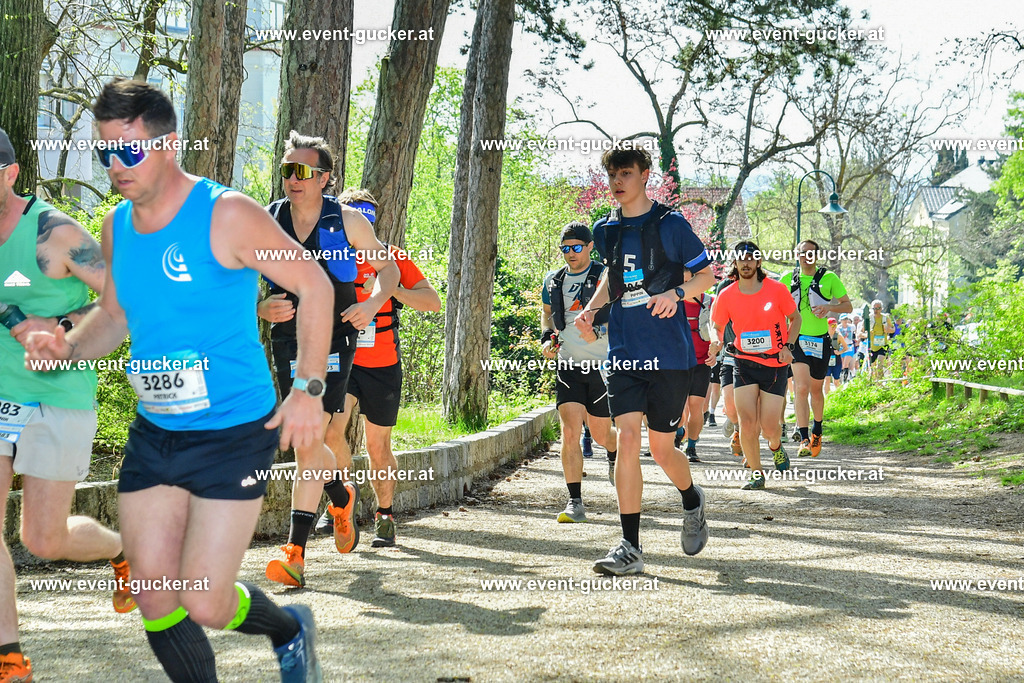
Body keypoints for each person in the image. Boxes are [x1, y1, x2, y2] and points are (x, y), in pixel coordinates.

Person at [26, 79, 328, 681]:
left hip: (233, 431)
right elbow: (115, 315)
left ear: (168, 144)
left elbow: (314, 285)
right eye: (105, 151)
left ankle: (289, 630)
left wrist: (308, 388)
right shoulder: (116, 226)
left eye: (129, 150)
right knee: (154, 592)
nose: (115, 165)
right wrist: (67, 346)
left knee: (205, 600)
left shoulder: (227, 214)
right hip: (156, 432)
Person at [0, 126, 135, 682]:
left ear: (10, 174)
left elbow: (124, 303)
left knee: (43, 539)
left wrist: (57, 325)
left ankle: (124, 552)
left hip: (58, 395)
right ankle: (10, 656)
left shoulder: (54, 233)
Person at [259, 136, 399, 586]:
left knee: (308, 438)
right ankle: (340, 495)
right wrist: (259, 307)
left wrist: (372, 304)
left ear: (324, 179)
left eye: (303, 171)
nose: (293, 179)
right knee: (305, 443)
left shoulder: (348, 221)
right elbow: (232, 277)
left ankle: (294, 553)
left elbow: (389, 270)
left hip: (335, 341)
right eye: (287, 170)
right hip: (289, 341)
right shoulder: (268, 221)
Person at [575, 146, 713, 575]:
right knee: (628, 438)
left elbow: (706, 276)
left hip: (669, 355)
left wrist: (676, 294)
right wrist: (591, 310)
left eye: (626, 174)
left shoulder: (672, 224)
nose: (617, 182)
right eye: (612, 175)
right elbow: (612, 277)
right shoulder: (605, 230)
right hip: (624, 351)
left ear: (645, 175)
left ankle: (692, 499)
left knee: (662, 448)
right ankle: (630, 547)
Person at [313, 188, 439, 548]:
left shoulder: (391, 258)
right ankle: (343, 499)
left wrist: (389, 288)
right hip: (343, 360)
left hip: (382, 364)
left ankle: (385, 515)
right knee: (330, 432)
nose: (361, 222)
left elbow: (432, 301)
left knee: (377, 445)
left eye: (367, 216)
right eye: (355, 215)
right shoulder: (328, 256)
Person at [540, 221, 618, 521]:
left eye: (576, 247)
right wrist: (546, 338)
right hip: (568, 365)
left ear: (590, 247)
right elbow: (547, 314)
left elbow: (622, 317)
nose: (570, 253)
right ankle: (575, 502)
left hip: (602, 367)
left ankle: (613, 453)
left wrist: (598, 333)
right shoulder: (553, 280)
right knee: (570, 431)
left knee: (600, 434)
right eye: (565, 249)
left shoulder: (605, 276)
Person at [709, 242, 801, 490]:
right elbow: (717, 326)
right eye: (742, 259)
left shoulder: (777, 289)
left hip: (774, 364)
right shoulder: (727, 294)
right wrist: (716, 340)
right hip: (744, 363)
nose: (746, 263)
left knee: (770, 427)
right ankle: (757, 474)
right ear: (735, 263)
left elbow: (795, 318)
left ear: (759, 262)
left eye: (751, 258)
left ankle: (775, 446)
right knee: (747, 423)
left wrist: (788, 346)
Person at [779, 241, 852, 458]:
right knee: (801, 388)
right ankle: (803, 439)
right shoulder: (786, 279)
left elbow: (847, 305)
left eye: (810, 253)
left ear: (817, 256)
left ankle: (817, 430)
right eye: (803, 253)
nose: (806, 256)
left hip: (820, 341)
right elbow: (773, 305)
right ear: (797, 255)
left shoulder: (829, 278)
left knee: (816, 390)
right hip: (797, 339)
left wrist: (829, 307)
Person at [676, 269, 716, 463]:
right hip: (678, 363)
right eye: (683, 282)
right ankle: (679, 432)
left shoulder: (710, 302)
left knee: (696, 406)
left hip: (702, 362)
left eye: (689, 281)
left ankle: (691, 445)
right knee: (679, 406)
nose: (686, 286)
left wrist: (715, 351)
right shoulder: (673, 301)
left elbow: (718, 329)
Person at [865, 299, 894, 377]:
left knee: (879, 366)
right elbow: (861, 332)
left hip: (883, 345)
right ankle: (875, 382)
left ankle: (880, 382)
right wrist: (867, 334)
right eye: (874, 308)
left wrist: (888, 330)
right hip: (872, 346)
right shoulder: (869, 318)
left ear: (881, 309)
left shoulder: (885, 318)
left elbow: (893, 329)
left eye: (878, 308)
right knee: (872, 369)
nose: (876, 310)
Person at [824, 317, 849, 395]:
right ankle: (827, 398)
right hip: (826, 361)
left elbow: (846, 347)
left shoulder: (838, 336)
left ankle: (841, 396)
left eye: (835, 325)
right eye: (832, 325)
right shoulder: (824, 335)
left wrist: (839, 352)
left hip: (836, 361)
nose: (834, 327)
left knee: (836, 381)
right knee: (827, 380)